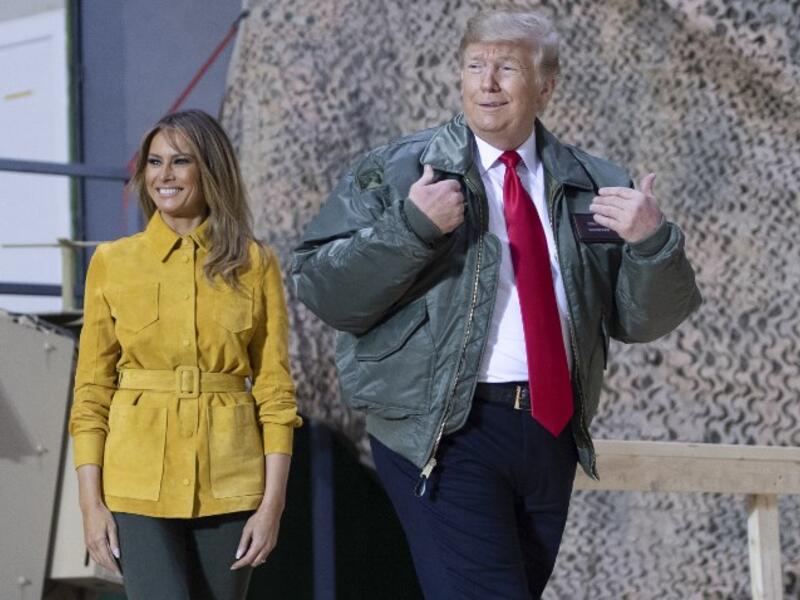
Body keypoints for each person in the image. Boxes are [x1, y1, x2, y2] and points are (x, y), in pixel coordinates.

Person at [292, 8, 701, 599]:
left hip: (550, 432)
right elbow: (323, 290)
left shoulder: (594, 182)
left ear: (545, 86)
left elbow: (639, 320)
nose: (486, 83)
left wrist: (651, 244)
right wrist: (410, 229)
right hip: (446, 430)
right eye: (474, 66)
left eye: (507, 68)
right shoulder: (398, 171)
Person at [69, 109, 302, 600]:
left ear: (210, 168)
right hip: (135, 482)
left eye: (180, 161)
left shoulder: (255, 263)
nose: (164, 175)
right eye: (154, 162)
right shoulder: (113, 262)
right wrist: (91, 505)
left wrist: (273, 505)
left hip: (231, 480)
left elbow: (276, 392)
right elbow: (91, 394)